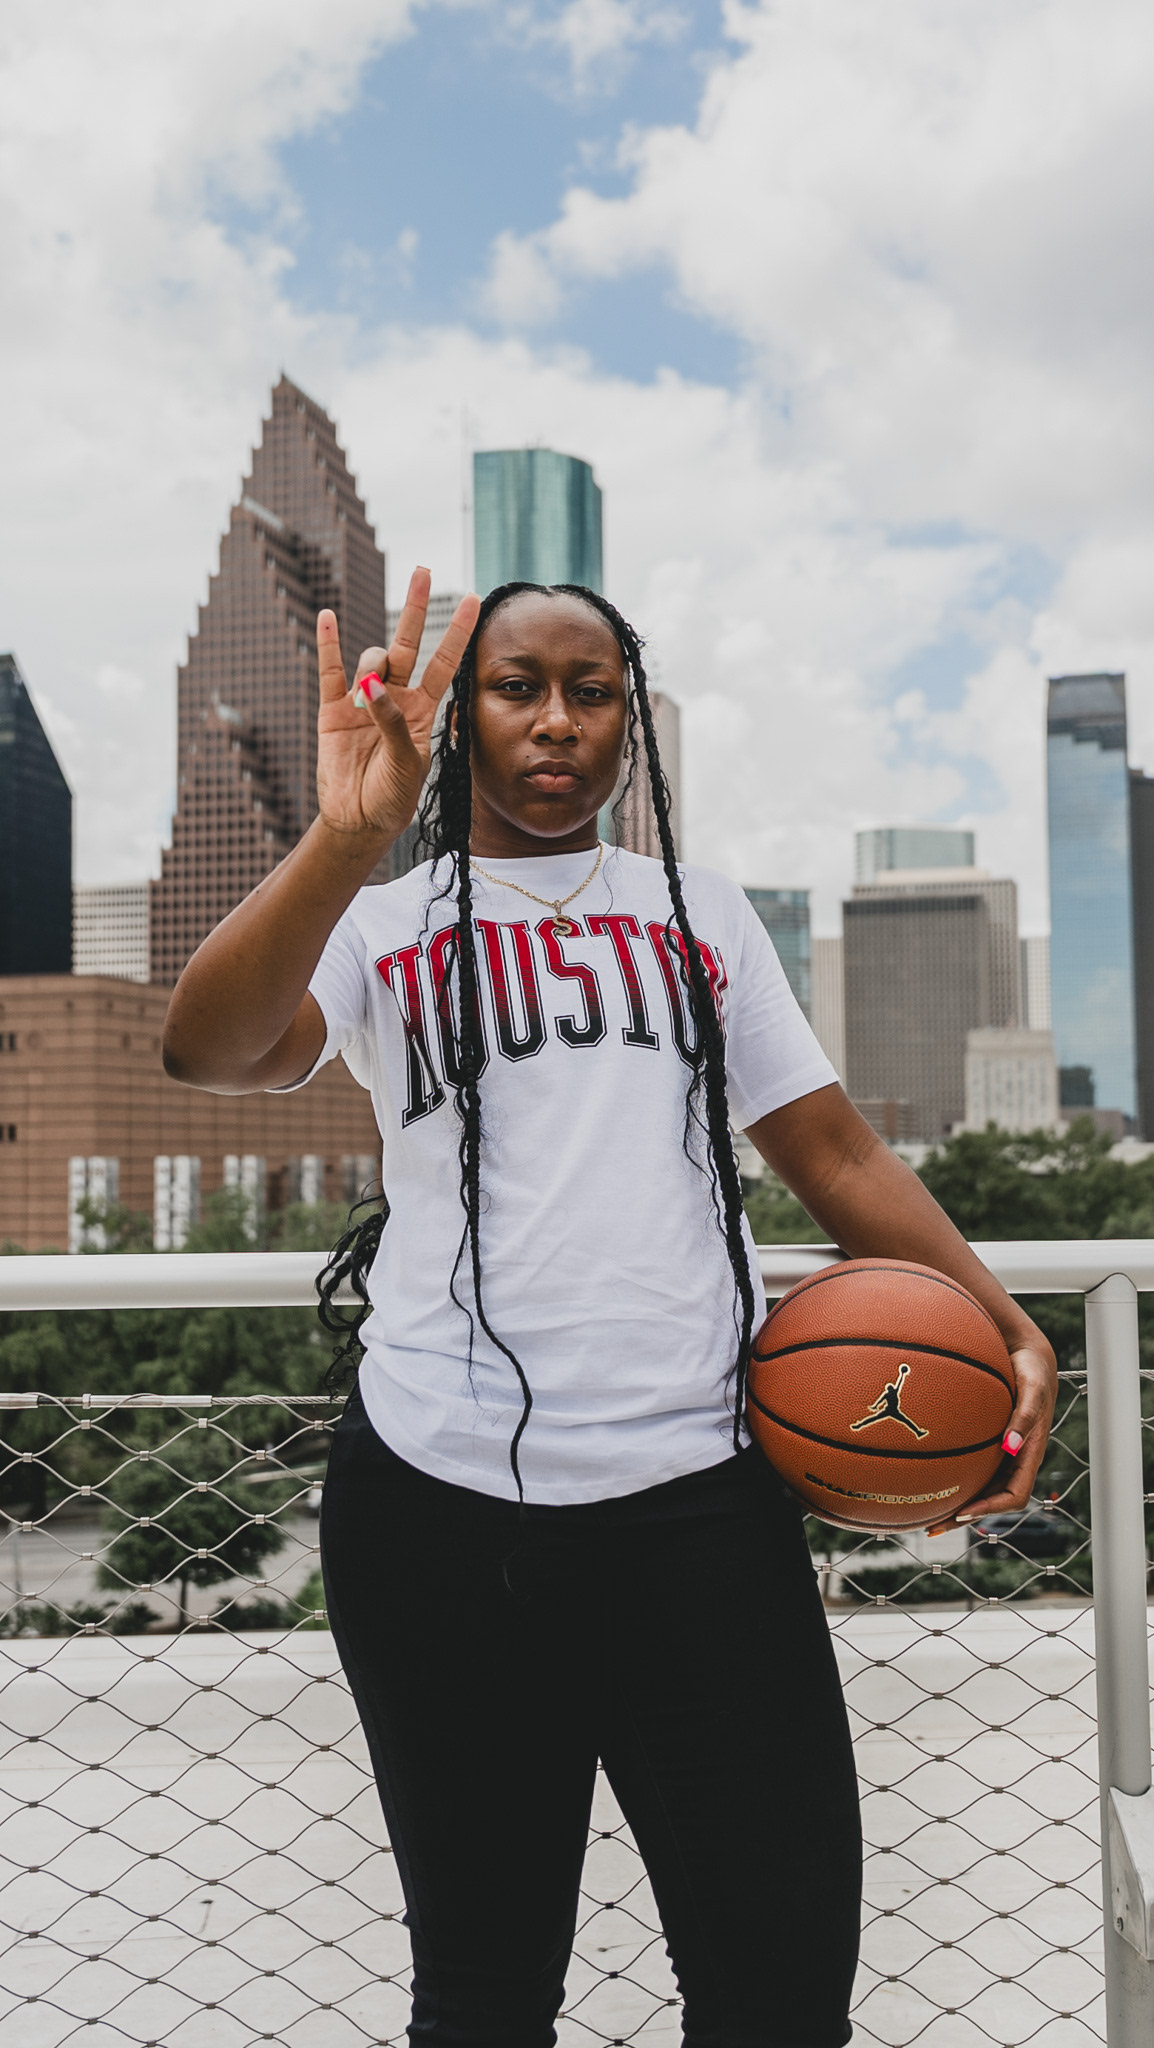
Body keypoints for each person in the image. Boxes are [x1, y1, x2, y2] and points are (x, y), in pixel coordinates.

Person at [164, 569, 1057, 2048]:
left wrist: (998, 1315)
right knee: (485, 1996)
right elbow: (208, 1049)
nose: (556, 721)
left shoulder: (699, 916)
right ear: (459, 717)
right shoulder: (379, 924)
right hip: (441, 1510)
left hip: (699, 1503)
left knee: (781, 1994)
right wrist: (344, 836)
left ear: (628, 727)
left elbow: (834, 1152)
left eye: (592, 692)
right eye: (516, 687)